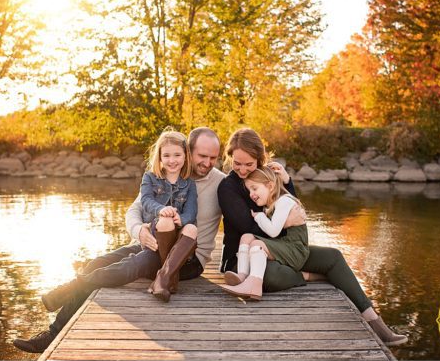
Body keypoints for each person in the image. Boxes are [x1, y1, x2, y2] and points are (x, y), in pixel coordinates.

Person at [12, 128, 224, 354]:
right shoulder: (164, 174)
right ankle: (54, 330)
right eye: (203, 156)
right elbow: (135, 209)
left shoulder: (222, 184)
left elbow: (250, 193)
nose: (208, 163)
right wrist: (138, 231)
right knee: (96, 263)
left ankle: (62, 310)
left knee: (128, 266)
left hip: (188, 258)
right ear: (189, 151)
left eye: (214, 157)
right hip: (151, 242)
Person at [218, 127, 408, 347]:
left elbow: (292, 209)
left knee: (333, 257)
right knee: (267, 274)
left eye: (249, 164)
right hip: (244, 258)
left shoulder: (268, 177)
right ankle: (311, 276)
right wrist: (286, 223)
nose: (242, 169)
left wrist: (287, 181)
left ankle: (378, 325)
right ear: (230, 157)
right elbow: (248, 226)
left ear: (260, 159)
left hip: (281, 247)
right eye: (237, 163)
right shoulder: (227, 187)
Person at [219, 165, 310, 300]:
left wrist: (259, 217)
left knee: (257, 244)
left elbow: (273, 231)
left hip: (296, 250)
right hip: (284, 245)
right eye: (249, 190)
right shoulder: (270, 205)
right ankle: (242, 276)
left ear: (270, 186)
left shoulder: (284, 201)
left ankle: (254, 285)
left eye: (254, 188)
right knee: (246, 237)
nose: (251, 194)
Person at [138, 128, 199, 301]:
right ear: (159, 157)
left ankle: (162, 278)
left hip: (179, 235)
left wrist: (183, 219)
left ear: (185, 156)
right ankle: (169, 280)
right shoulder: (150, 177)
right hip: (158, 234)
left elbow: (192, 211)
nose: (172, 160)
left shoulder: (189, 184)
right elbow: (146, 201)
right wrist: (160, 209)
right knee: (165, 221)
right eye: (166, 156)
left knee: (192, 228)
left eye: (177, 155)